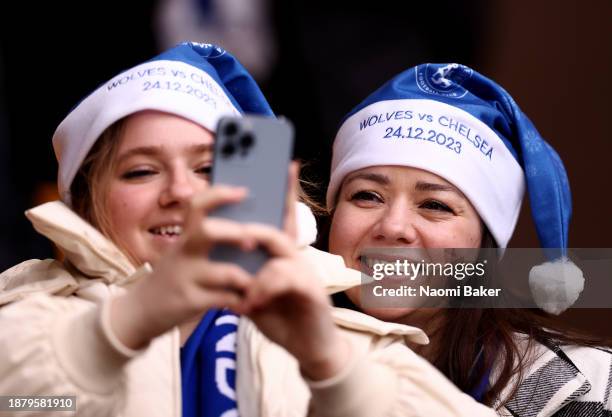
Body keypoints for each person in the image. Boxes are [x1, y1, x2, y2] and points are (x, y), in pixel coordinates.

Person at [0, 43, 499, 417]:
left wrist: (331, 363)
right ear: (86, 200)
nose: (181, 192)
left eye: (208, 169)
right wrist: (127, 321)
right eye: (140, 171)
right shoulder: (26, 320)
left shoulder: (348, 337)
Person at [313, 62, 612, 415]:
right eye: (367, 196)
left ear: (486, 242)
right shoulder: (262, 361)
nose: (393, 227)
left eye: (435, 204)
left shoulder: (589, 389)